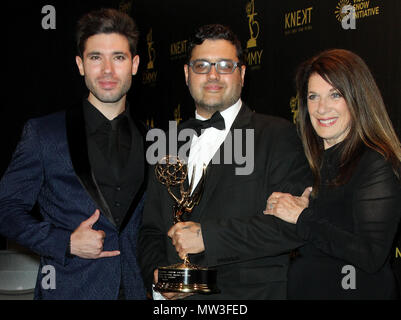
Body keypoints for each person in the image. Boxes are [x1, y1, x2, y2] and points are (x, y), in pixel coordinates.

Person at [138, 24, 310, 300]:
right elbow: (151, 228)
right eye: (202, 65)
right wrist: (159, 279)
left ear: (241, 73)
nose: (213, 75)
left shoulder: (277, 136)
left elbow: (290, 227)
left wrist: (208, 236)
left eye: (225, 65)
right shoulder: (167, 143)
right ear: (186, 74)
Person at [0, 8, 147, 299]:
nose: (107, 70)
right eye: (96, 58)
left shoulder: (153, 140)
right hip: (70, 290)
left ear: (135, 64)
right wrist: (65, 242)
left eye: (118, 57)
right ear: (80, 65)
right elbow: (5, 209)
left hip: (136, 290)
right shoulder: (44, 134)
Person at [264, 49, 401, 299]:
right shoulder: (310, 161)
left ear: (357, 98)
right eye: (313, 96)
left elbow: (371, 255)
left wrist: (302, 217)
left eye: (335, 95)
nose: (322, 108)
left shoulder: (374, 163)